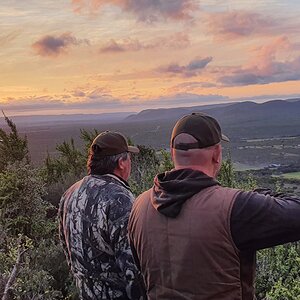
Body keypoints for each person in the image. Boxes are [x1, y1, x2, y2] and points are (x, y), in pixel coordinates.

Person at [128, 112, 300, 300]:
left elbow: (140, 273)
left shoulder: (139, 206)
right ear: (217, 154)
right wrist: (262, 194)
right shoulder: (233, 208)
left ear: (172, 153)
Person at [59, 131, 145, 300]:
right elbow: (132, 269)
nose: (130, 163)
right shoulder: (119, 199)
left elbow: (67, 248)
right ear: (121, 163)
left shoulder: (70, 193)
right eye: (129, 158)